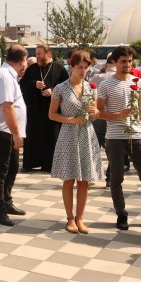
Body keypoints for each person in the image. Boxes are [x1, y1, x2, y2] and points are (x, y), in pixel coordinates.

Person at [97, 45, 141, 232]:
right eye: (123, 61)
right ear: (115, 62)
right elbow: (98, 112)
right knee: (116, 178)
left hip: (136, 135)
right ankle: (121, 214)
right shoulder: (105, 84)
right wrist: (117, 115)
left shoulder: (138, 82)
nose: (127, 65)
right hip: (115, 136)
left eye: (130, 61)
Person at [49, 51, 103, 234]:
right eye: (80, 67)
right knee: (69, 179)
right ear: (71, 67)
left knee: (84, 180)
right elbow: (52, 114)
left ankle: (80, 218)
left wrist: (95, 112)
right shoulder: (60, 88)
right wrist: (70, 119)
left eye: (86, 67)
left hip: (87, 135)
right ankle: (70, 218)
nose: (83, 71)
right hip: (68, 135)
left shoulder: (91, 88)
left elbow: (95, 116)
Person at [0, 44, 29, 226]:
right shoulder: (4, 76)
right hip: (1, 130)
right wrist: (16, 134)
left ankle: (6, 201)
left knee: (12, 168)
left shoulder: (10, 75)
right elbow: (7, 107)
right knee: (0, 171)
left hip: (7, 130)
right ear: (22, 61)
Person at [19, 44, 68, 172]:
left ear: (48, 54)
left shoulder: (60, 69)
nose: (37, 57)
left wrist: (53, 91)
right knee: (33, 137)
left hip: (52, 111)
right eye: (36, 54)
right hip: (35, 111)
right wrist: (34, 83)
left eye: (39, 54)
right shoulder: (32, 69)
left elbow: (67, 87)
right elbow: (22, 83)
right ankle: (30, 163)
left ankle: (50, 165)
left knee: (51, 137)